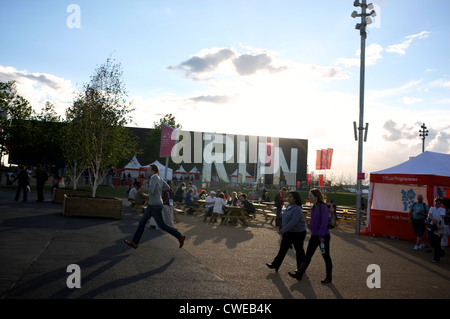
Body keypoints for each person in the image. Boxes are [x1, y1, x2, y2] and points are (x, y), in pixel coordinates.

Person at [124, 164, 185, 250]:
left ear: (153, 171)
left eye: (148, 170)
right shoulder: (159, 178)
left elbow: (151, 191)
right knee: (142, 222)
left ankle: (180, 236)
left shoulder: (153, 178)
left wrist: (145, 186)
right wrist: (158, 192)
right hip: (153, 205)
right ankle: (135, 242)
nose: (147, 171)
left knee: (162, 225)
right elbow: (167, 187)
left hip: (155, 206)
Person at [289, 188, 333, 284]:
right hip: (314, 235)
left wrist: (321, 235)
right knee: (308, 255)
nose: (309, 197)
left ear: (316, 197)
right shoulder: (314, 207)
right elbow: (314, 221)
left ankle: (329, 277)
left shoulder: (323, 207)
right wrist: (311, 227)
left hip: (323, 236)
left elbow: (324, 222)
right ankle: (299, 273)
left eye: (311, 195)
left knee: (326, 256)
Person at [266, 191, 306, 273]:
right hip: (289, 232)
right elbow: (286, 215)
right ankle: (275, 264)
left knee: (299, 250)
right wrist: (282, 214)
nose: (288, 198)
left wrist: (283, 230)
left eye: (290, 197)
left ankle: (300, 268)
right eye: (288, 196)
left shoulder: (297, 209)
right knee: (283, 249)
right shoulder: (289, 206)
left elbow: (293, 222)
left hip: (298, 233)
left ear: (295, 199)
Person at [428, 197, 446, 263]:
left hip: (440, 227)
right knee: (432, 242)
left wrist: (437, 220)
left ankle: (436, 258)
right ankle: (441, 253)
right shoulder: (432, 208)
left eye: (438, 203)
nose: (437, 204)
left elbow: (442, 216)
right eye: (436, 203)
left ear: (441, 204)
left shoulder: (443, 209)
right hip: (433, 226)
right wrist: (433, 219)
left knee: (437, 242)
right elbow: (429, 214)